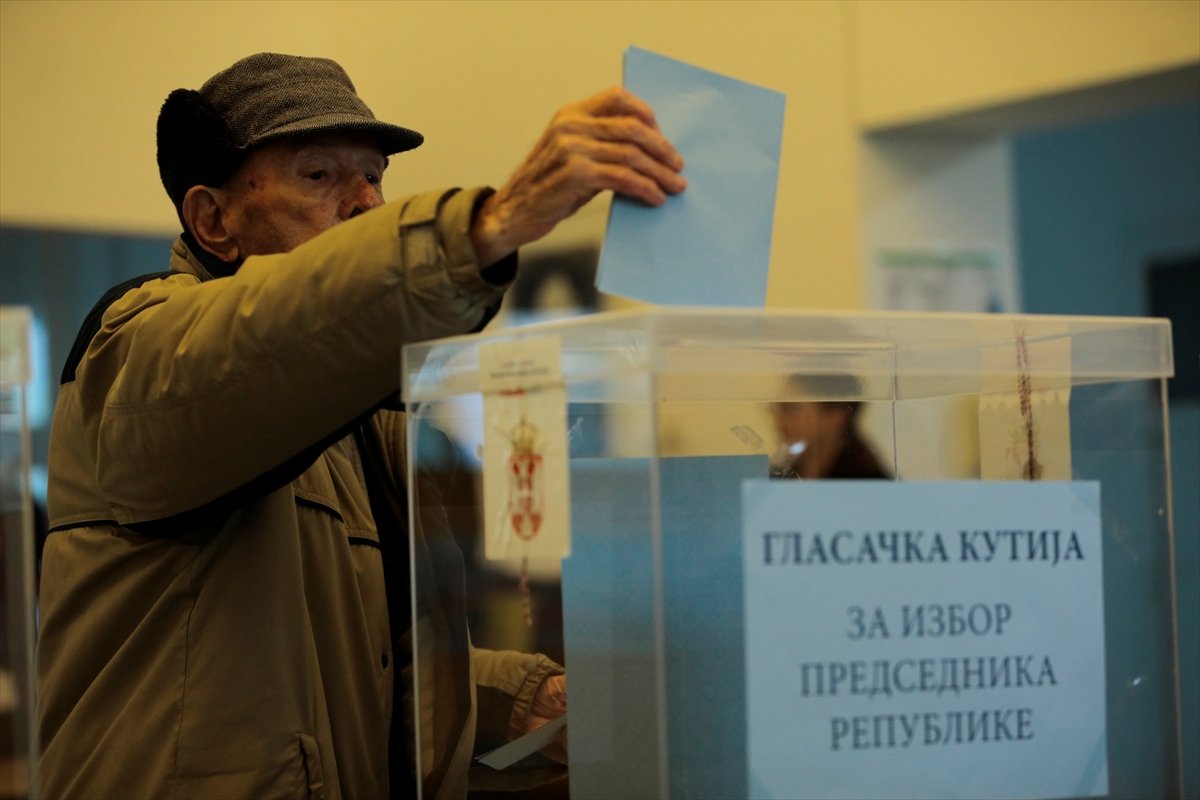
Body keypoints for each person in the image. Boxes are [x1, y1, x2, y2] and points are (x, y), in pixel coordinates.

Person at [34, 52, 686, 800]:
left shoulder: (353, 414)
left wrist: (524, 700)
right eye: (319, 177)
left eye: (373, 176)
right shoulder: (141, 348)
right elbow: (261, 337)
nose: (366, 205)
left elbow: (359, 666)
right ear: (213, 219)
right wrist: (490, 223)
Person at [769, 374, 891, 480]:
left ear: (836, 415)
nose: (779, 420)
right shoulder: (773, 479)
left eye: (790, 409)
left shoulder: (869, 484)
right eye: (776, 410)